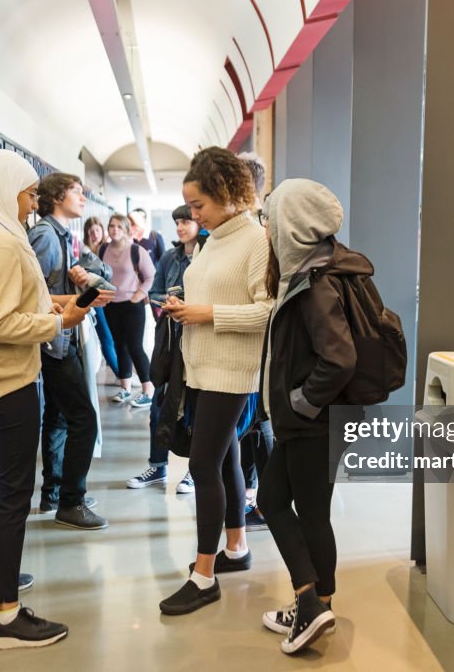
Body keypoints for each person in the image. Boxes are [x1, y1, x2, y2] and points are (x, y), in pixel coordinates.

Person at [0, 149, 88, 649]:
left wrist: (47, 303)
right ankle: (5, 617)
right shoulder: (2, 245)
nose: (33, 203)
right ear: (3, 188)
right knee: (14, 496)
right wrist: (58, 322)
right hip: (5, 382)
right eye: (29, 193)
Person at [158, 147, 272, 615]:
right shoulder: (213, 239)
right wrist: (183, 300)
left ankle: (203, 577)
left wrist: (205, 312)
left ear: (226, 194)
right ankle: (236, 548)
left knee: (202, 466)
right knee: (225, 458)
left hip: (231, 370)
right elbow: (212, 289)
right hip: (202, 365)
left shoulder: (256, 240)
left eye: (199, 205)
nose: (193, 214)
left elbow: (267, 311)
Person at [258, 178, 359, 654]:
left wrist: (301, 401)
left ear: (289, 224)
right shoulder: (306, 270)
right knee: (277, 500)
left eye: (270, 217)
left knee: (296, 507)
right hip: (306, 422)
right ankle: (314, 604)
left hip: (310, 422)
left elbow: (339, 358)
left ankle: (312, 603)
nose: (266, 227)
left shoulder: (315, 281)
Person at [27, 173, 112, 530]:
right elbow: (31, 294)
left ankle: (55, 493)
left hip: (60, 340)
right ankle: (71, 502)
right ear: (58, 196)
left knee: (60, 418)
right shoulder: (46, 236)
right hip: (53, 344)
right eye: (77, 191)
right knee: (84, 419)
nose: (83, 196)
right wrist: (73, 302)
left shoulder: (61, 235)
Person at [126, 205, 205, 493]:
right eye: (177, 223)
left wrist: (188, 303)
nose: (181, 227)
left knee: (194, 409)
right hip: (170, 341)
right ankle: (158, 467)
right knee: (160, 402)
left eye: (186, 221)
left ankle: (194, 472)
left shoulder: (207, 256)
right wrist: (168, 303)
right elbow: (156, 291)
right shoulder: (171, 258)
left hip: (199, 342)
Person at [236, 151, 274, 531]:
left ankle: (267, 500)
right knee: (256, 421)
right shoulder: (259, 226)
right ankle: (259, 496)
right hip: (256, 347)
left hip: (260, 345)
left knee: (260, 420)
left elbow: (263, 304)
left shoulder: (260, 231)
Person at [100, 213, 156, 408]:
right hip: (111, 305)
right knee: (119, 346)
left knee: (134, 346)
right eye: (111, 226)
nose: (114, 230)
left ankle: (148, 390)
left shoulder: (136, 250)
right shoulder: (103, 249)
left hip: (133, 306)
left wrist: (138, 295)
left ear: (126, 230)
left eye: (118, 227)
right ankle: (125, 388)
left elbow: (150, 276)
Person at [81, 215, 119, 374]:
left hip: (113, 298)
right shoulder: (85, 253)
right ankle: (121, 374)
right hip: (95, 298)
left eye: (97, 230)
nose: (94, 234)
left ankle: (124, 375)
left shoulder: (109, 249)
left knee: (116, 338)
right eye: (91, 231)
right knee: (106, 338)